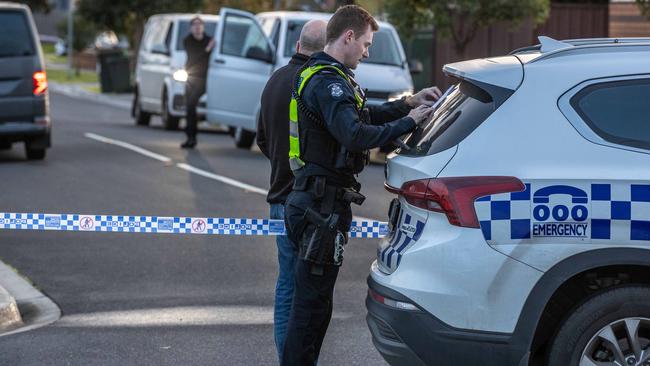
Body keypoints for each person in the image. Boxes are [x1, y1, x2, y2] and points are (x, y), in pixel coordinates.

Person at [281, 5, 442, 366]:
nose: (367, 52)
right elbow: (354, 134)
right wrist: (409, 122)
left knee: (315, 307)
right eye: (366, 44)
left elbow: (362, 114)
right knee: (310, 311)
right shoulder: (328, 81)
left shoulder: (327, 76)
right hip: (319, 206)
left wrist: (407, 105)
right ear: (348, 37)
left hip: (318, 201)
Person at [257, 20, 328, 363]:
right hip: (308, 203)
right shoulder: (315, 84)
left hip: (278, 198)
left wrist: (280, 163)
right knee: (309, 291)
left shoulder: (275, 80)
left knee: (287, 286)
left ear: (299, 45)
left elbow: (261, 137)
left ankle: (285, 357)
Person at [181, 16, 216, 149]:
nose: (197, 26)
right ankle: (190, 137)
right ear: (191, 27)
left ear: (203, 26)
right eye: (194, 24)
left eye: (199, 24)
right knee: (189, 107)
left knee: (191, 104)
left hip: (203, 79)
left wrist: (210, 48)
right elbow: (194, 58)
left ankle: (192, 136)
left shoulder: (209, 40)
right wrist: (207, 50)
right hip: (190, 77)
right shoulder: (187, 41)